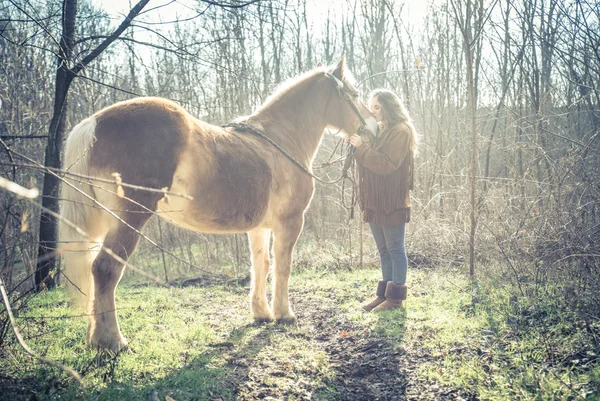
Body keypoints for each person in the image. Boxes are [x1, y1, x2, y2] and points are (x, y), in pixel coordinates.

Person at [348, 88, 418, 312]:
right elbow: (369, 151)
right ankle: (384, 295)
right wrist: (358, 139)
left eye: (377, 107)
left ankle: (395, 298)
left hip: (392, 200)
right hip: (376, 200)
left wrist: (362, 147)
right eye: (372, 106)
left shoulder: (401, 131)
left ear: (389, 106)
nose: (373, 110)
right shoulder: (381, 129)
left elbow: (386, 164)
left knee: (396, 249)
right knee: (384, 250)